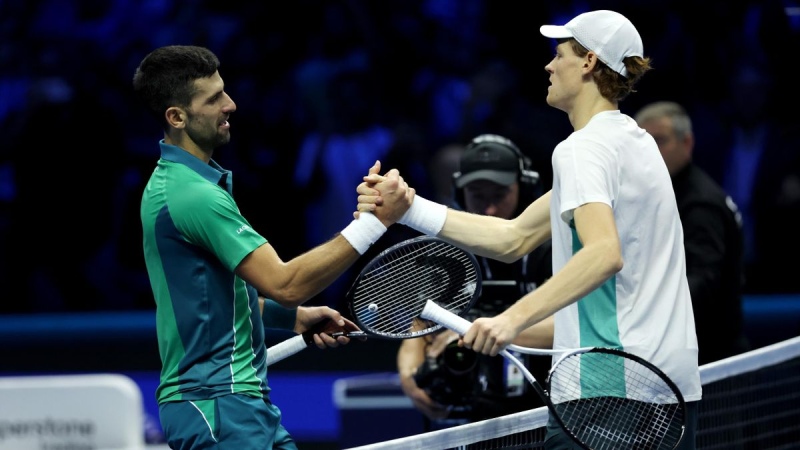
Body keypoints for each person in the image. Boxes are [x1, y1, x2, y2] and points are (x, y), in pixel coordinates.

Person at [357, 10, 701, 449]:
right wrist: (406, 208)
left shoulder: (582, 149)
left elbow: (603, 253)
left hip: (608, 387)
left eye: (559, 55)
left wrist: (510, 320)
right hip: (669, 385)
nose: (549, 66)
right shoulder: (636, 144)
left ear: (589, 62)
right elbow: (513, 237)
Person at [132, 45, 410, 450]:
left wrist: (294, 318)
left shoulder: (183, 184)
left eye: (223, 91)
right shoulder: (191, 195)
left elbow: (211, 302)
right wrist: (375, 223)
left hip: (238, 405)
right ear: (176, 117)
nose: (231, 104)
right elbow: (286, 283)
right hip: (217, 406)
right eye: (213, 99)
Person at [397, 134, 553, 428]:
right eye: (478, 195)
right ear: (459, 191)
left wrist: (475, 333)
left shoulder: (553, 243)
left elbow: (573, 325)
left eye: (499, 195)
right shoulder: (448, 251)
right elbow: (418, 327)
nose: (490, 208)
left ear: (526, 186)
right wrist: (409, 380)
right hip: (473, 411)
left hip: (547, 405)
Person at [634, 101, 751, 364]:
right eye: (644, 142)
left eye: (660, 140)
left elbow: (703, 280)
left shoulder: (700, 204)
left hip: (712, 359)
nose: (650, 151)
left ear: (687, 143)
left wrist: (648, 316)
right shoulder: (662, 194)